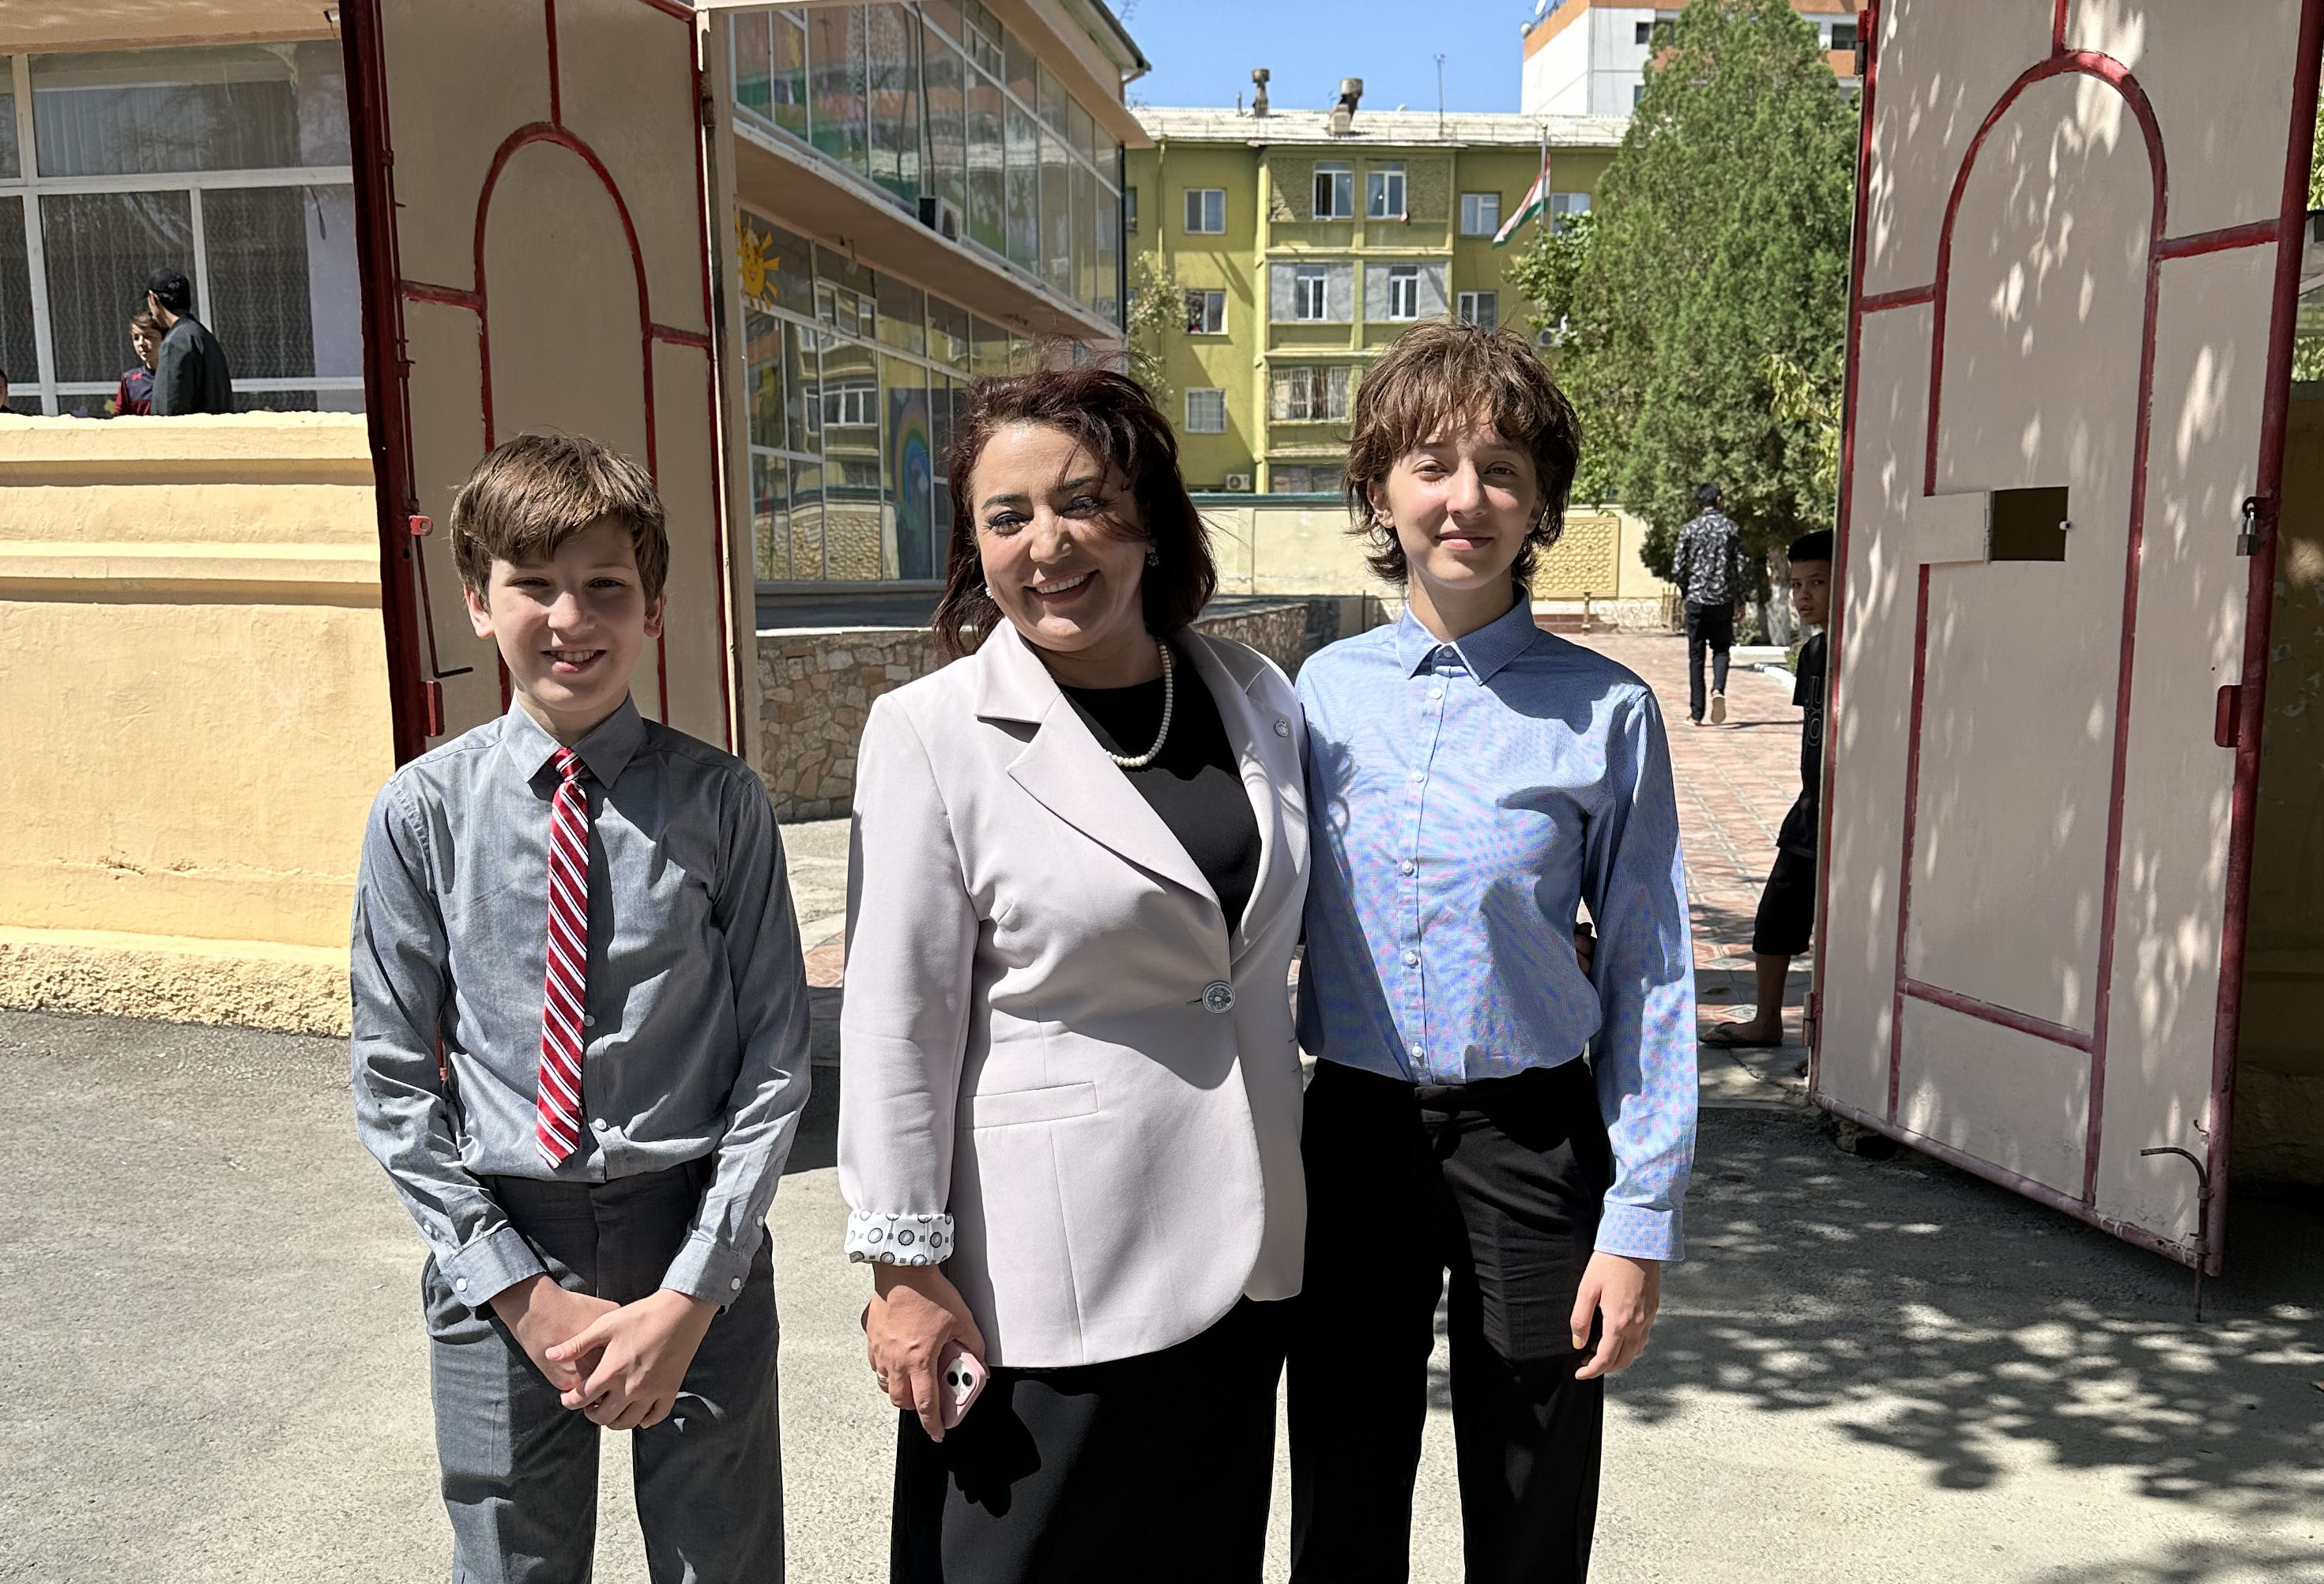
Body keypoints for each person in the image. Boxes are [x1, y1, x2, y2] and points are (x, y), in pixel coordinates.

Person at [839, 366, 1312, 1584]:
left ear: (1150, 521)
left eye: (1083, 502)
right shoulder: (931, 733)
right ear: (975, 549)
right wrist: (903, 1269)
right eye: (1007, 517)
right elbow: (896, 1025)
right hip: (1044, 1277)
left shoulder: (1255, 699)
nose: (1046, 544)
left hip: (1244, 1258)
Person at [351, 433, 809, 1582]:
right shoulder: (421, 814)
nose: (571, 618)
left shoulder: (721, 802)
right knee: (513, 1559)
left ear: (653, 609)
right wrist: (519, 1292)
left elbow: (774, 1057)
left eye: (606, 585)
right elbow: (393, 1079)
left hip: (691, 1227)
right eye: (533, 584)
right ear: (477, 603)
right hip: (505, 1238)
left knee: (721, 1559)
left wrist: (694, 1290)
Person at [1288, 319, 1698, 1584]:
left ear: (1540, 504)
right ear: (1380, 492)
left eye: (1502, 470)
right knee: (1344, 1477)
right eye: (1431, 464)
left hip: (1530, 1138)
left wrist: (1638, 1220)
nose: (1466, 498)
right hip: (1352, 1134)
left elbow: (1649, 970)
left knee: (1532, 1487)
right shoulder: (1314, 696)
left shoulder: (1605, 711)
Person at [1704, 530, 1833, 1058]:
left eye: (1818, 582)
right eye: (1796, 584)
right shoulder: (1815, 652)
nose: (1803, 596)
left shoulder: (1865, 653)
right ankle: (1766, 1021)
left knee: (1843, 932)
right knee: (1776, 916)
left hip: (1851, 814)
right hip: (1810, 810)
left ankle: (1838, 1047)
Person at [1672, 481, 1744, 726]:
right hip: (1723, 600)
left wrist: (1687, 590)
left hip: (1697, 600)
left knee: (1696, 656)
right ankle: (1718, 689)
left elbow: (1678, 568)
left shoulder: (1689, 529)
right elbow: (1742, 567)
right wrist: (1741, 599)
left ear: (1698, 503)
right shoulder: (1731, 528)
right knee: (1721, 649)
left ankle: (1696, 713)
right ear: (1719, 500)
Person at [144, 267, 234, 415]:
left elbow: (168, 411)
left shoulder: (175, 343)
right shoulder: (205, 337)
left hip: (192, 430)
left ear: (153, 298)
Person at [112, 311, 161, 417]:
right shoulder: (130, 380)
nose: (141, 343)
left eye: (148, 337)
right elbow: (120, 419)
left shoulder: (181, 376)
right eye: (136, 338)